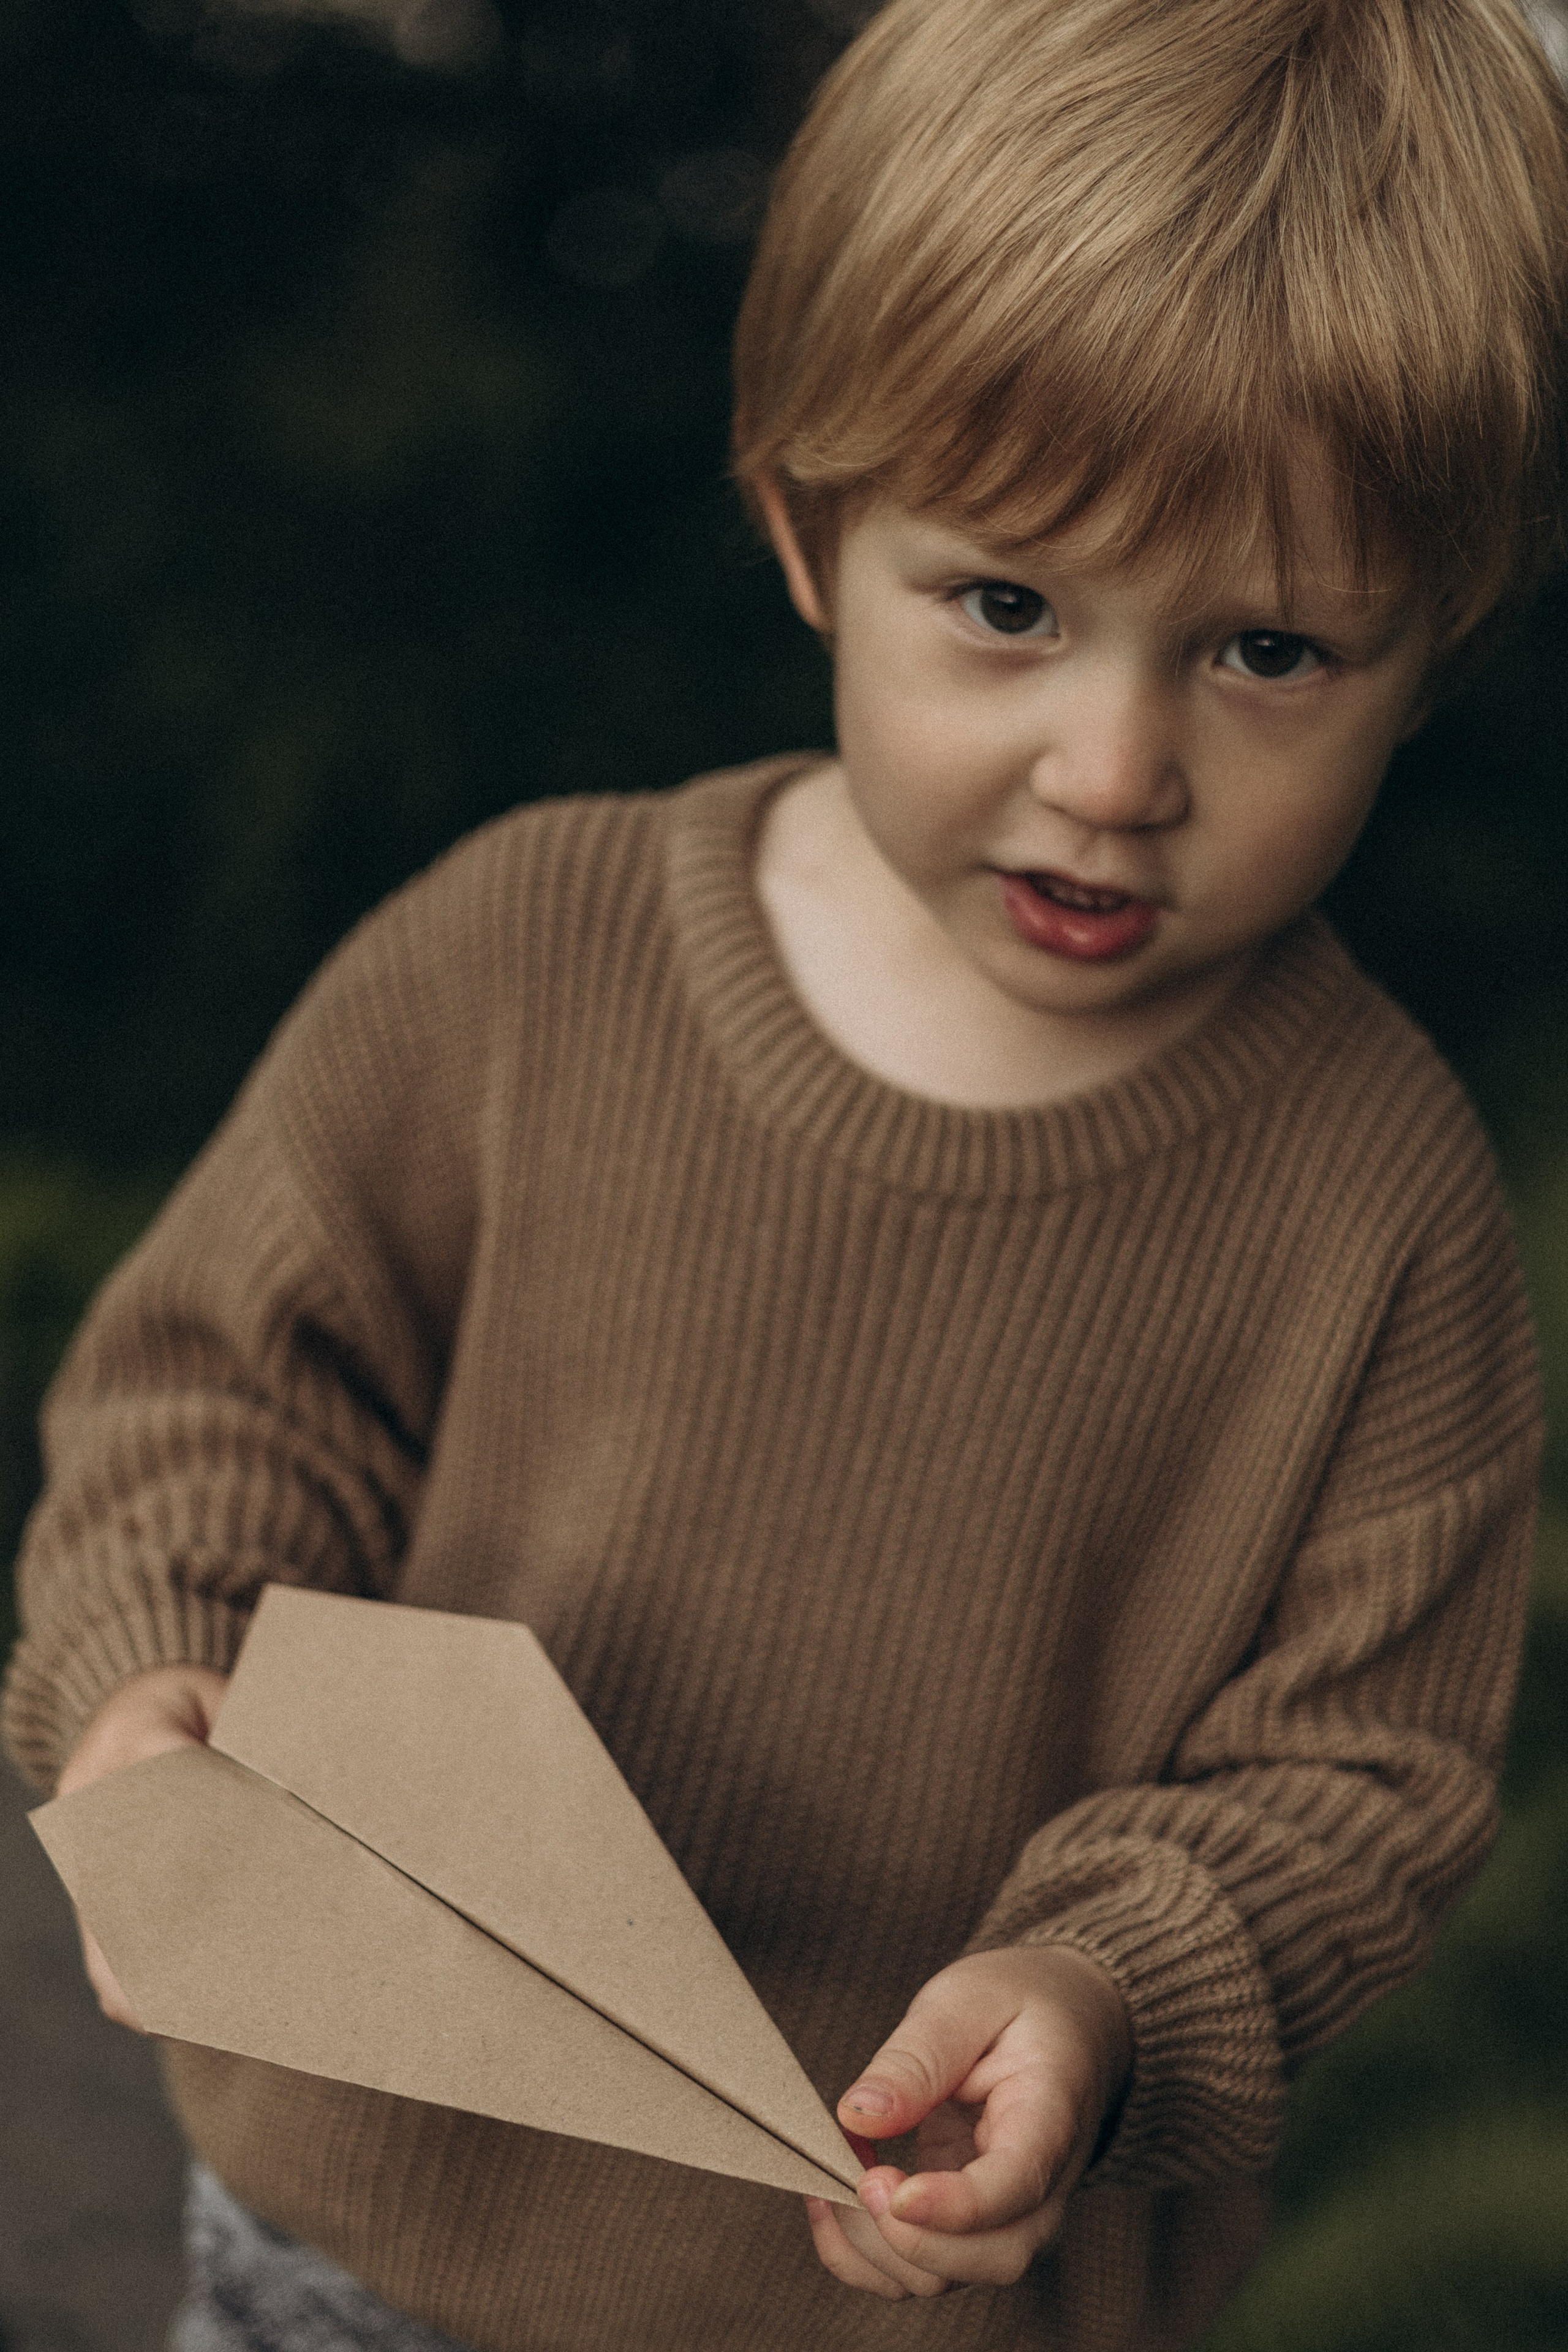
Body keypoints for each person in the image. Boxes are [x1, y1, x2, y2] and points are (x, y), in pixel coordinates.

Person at [6, 1, 1566, 2346]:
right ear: (811, 527)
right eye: (1011, 607)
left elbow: (1358, 1771)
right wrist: (163, 1691)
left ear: (1427, 653)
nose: (1116, 766)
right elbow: (224, 1398)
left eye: (1267, 650)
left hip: (911, 2309)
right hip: (350, 2228)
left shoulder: (1380, 1216)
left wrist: (1103, 1985)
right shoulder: (521, 958)